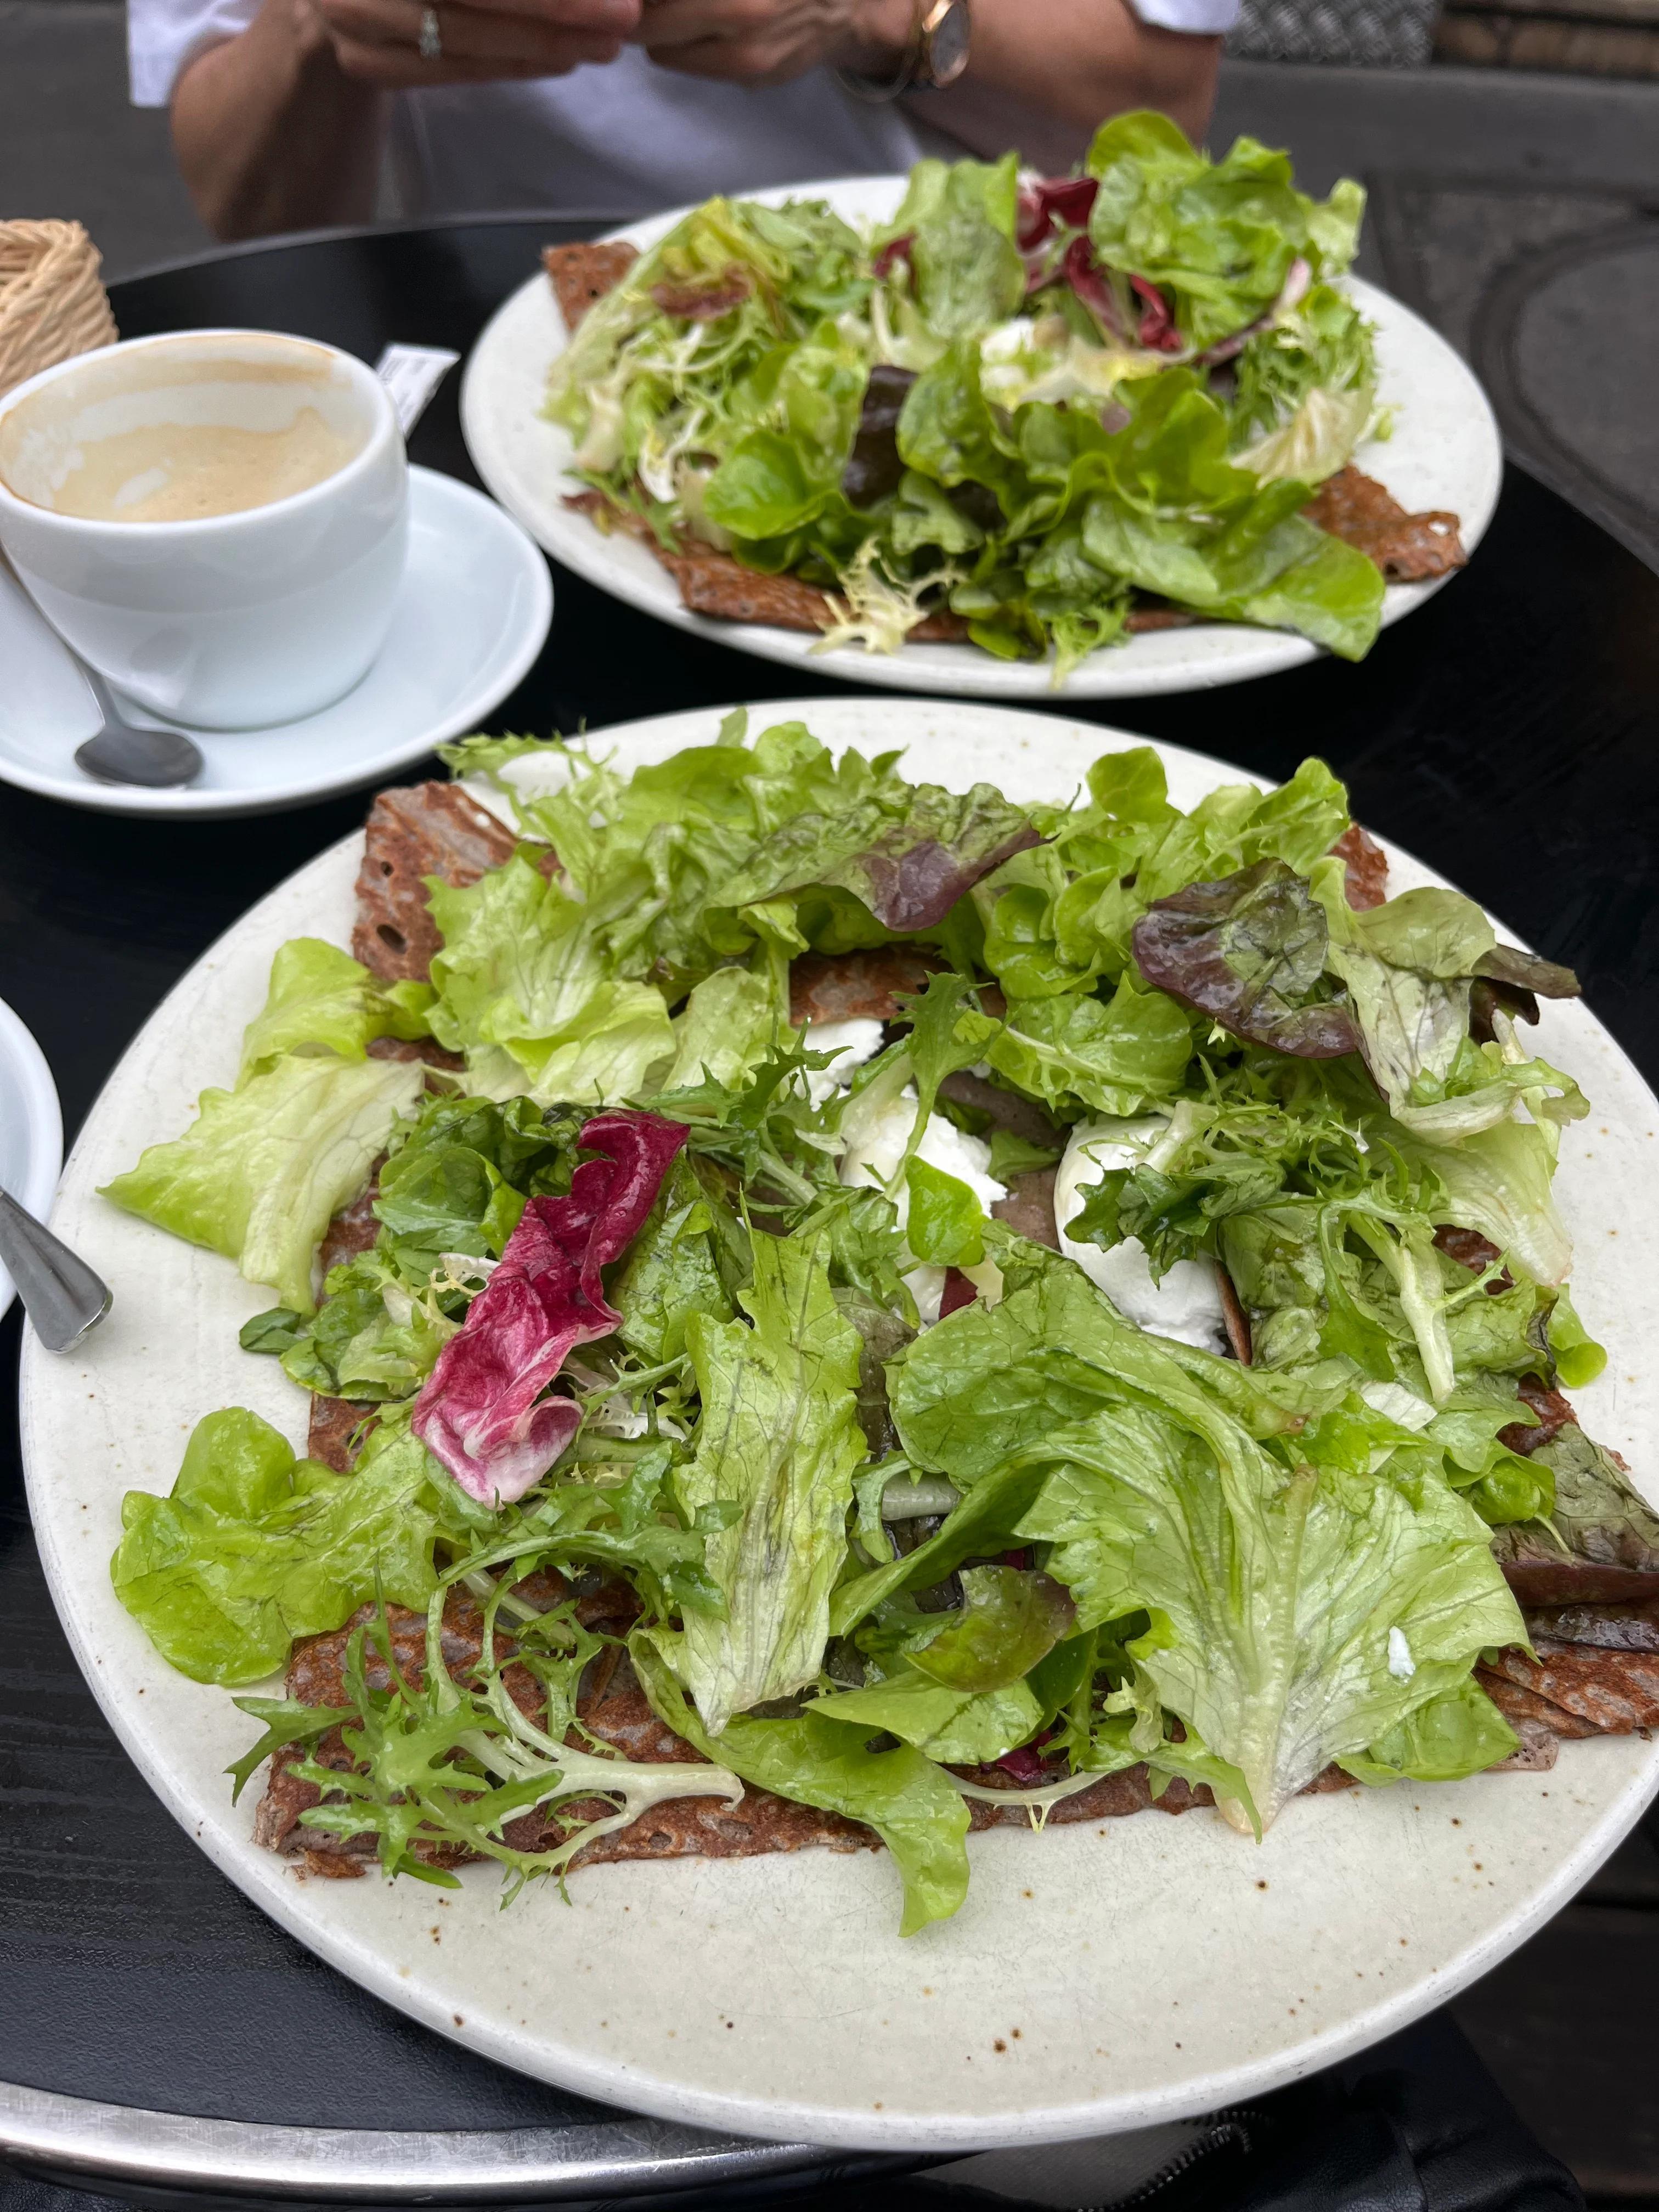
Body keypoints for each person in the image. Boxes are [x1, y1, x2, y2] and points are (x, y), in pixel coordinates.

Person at [127, 0, 1237, 242]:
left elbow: (1162, 97)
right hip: (517, 325)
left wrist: (879, 14)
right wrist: (316, 30)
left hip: (968, 311)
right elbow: (250, 208)